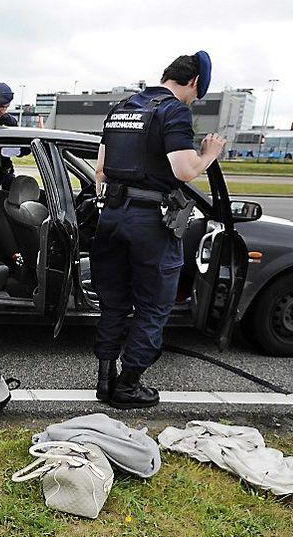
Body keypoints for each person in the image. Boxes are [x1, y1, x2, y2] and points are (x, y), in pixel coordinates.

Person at [91, 51, 226, 409]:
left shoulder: (122, 108)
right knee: (153, 306)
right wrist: (209, 153)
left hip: (112, 215)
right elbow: (184, 171)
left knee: (113, 303)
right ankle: (128, 385)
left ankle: (105, 381)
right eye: (198, 93)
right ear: (194, 82)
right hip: (149, 221)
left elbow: (101, 170)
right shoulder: (174, 111)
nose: (195, 101)